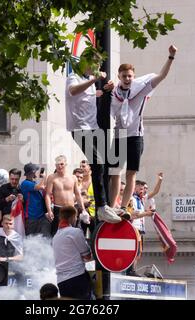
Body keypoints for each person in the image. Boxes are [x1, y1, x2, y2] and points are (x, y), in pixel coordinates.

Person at [109, 45, 177, 213]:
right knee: (114, 173)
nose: (127, 79)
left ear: (134, 76)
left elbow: (162, 76)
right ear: (119, 76)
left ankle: (124, 207)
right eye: (124, 76)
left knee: (131, 173)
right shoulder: (113, 92)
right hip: (119, 134)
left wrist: (170, 57)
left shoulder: (141, 87)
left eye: (130, 76)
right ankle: (111, 207)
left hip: (135, 135)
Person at [65, 57, 121, 224]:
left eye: (98, 66)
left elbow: (92, 96)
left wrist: (105, 89)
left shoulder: (90, 80)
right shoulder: (73, 77)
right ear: (86, 63)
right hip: (79, 127)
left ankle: (105, 205)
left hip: (93, 127)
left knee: (105, 164)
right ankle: (101, 207)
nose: (97, 69)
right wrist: (95, 80)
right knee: (97, 162)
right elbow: (73, 91)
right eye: (95, 65)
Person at [52, 206, 93, 300]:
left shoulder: (55, 237)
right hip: (77, 278)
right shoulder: (75, 232)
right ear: (71, 217)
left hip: (62, 282)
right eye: (76, 217)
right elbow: (87, 256)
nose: (76, 219)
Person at [45, 155, 88, 236]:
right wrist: (49, 210)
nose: (59, 166)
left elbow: (78, 195)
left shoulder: (73, 178)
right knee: (57, 233)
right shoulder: (52, 177)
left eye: (61, 164)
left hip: (71, 209)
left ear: (66, 164)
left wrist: (83, 210)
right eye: (57, 164)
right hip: (59, 209)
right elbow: (47, 195)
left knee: (73, 233)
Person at [20, 163, 51, 237]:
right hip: (31, 218)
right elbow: (40, 187)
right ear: (33, 172)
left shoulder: (34, 182)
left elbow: (43, 188)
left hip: (41, 217)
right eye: (37, 170)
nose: (38, 172)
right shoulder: (25, 183)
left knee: (45, 239)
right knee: (31, 240)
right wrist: (44, 177)